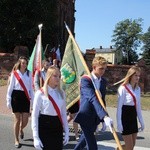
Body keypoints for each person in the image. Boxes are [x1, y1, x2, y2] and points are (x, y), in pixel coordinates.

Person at [74, 56, 113, 150]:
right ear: (94, 67)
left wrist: (104, 118)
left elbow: (102, 100)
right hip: (86, 116)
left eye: (104, 69)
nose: (103, 71)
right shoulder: (86, 80)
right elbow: (92, 98)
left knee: (83, 141)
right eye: (101, 69)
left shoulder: (103, 81)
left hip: (95, 117)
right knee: (92, 146)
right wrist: (103, 116)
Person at [31, 66, 69, 150]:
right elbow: (34, 116)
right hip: (44, 126)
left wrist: (67, 131)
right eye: (55, 76)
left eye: (59, 76)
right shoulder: (40, 93)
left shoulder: (62, 93)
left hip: (57, 126)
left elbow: (63, 114)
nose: (58, 78)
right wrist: (35, 137)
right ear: (49, 76)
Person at [6, 56, 34, 148]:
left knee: (25, 120)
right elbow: (10, 88)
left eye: (25, 63)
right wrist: (8, 99)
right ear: (19, 63)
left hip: (25, 97)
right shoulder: (15, 73)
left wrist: (33, 102)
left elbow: (30, 88)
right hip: (16, 97)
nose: (24, 65)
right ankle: (16, 139)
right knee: (17, 120)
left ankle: (21, 129)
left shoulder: (29, 74)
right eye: (22, 63)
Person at [116, 66, 145, 150]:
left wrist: (141, 121)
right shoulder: (123, 88)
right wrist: (119, 122)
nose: (138, 77)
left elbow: (138, 106)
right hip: (125, 117)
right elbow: (119, 107)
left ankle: (119, 149)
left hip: (133, 116)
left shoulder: (138, 89)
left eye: (139, 75)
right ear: (130, 75)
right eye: (135, 75)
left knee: (132, 145)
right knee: (129, 147)